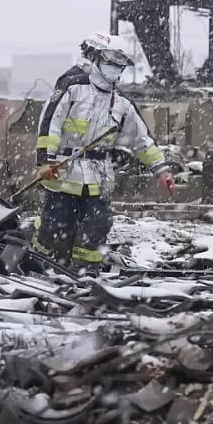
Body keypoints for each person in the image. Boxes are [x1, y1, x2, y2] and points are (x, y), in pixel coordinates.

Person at [33, 32, 176, 271]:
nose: (114, 69)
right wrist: (45, 161)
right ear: (95, 58)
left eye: (119, 65)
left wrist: (161, 171)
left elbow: (142, 139)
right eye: (110, 62)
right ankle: (44, 266)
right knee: (56, 227)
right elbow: (50, 123)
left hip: (99, 178)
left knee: (96, 229)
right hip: (64, 174)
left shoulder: (121, 102)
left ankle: (85, 273)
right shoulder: (72, 88)